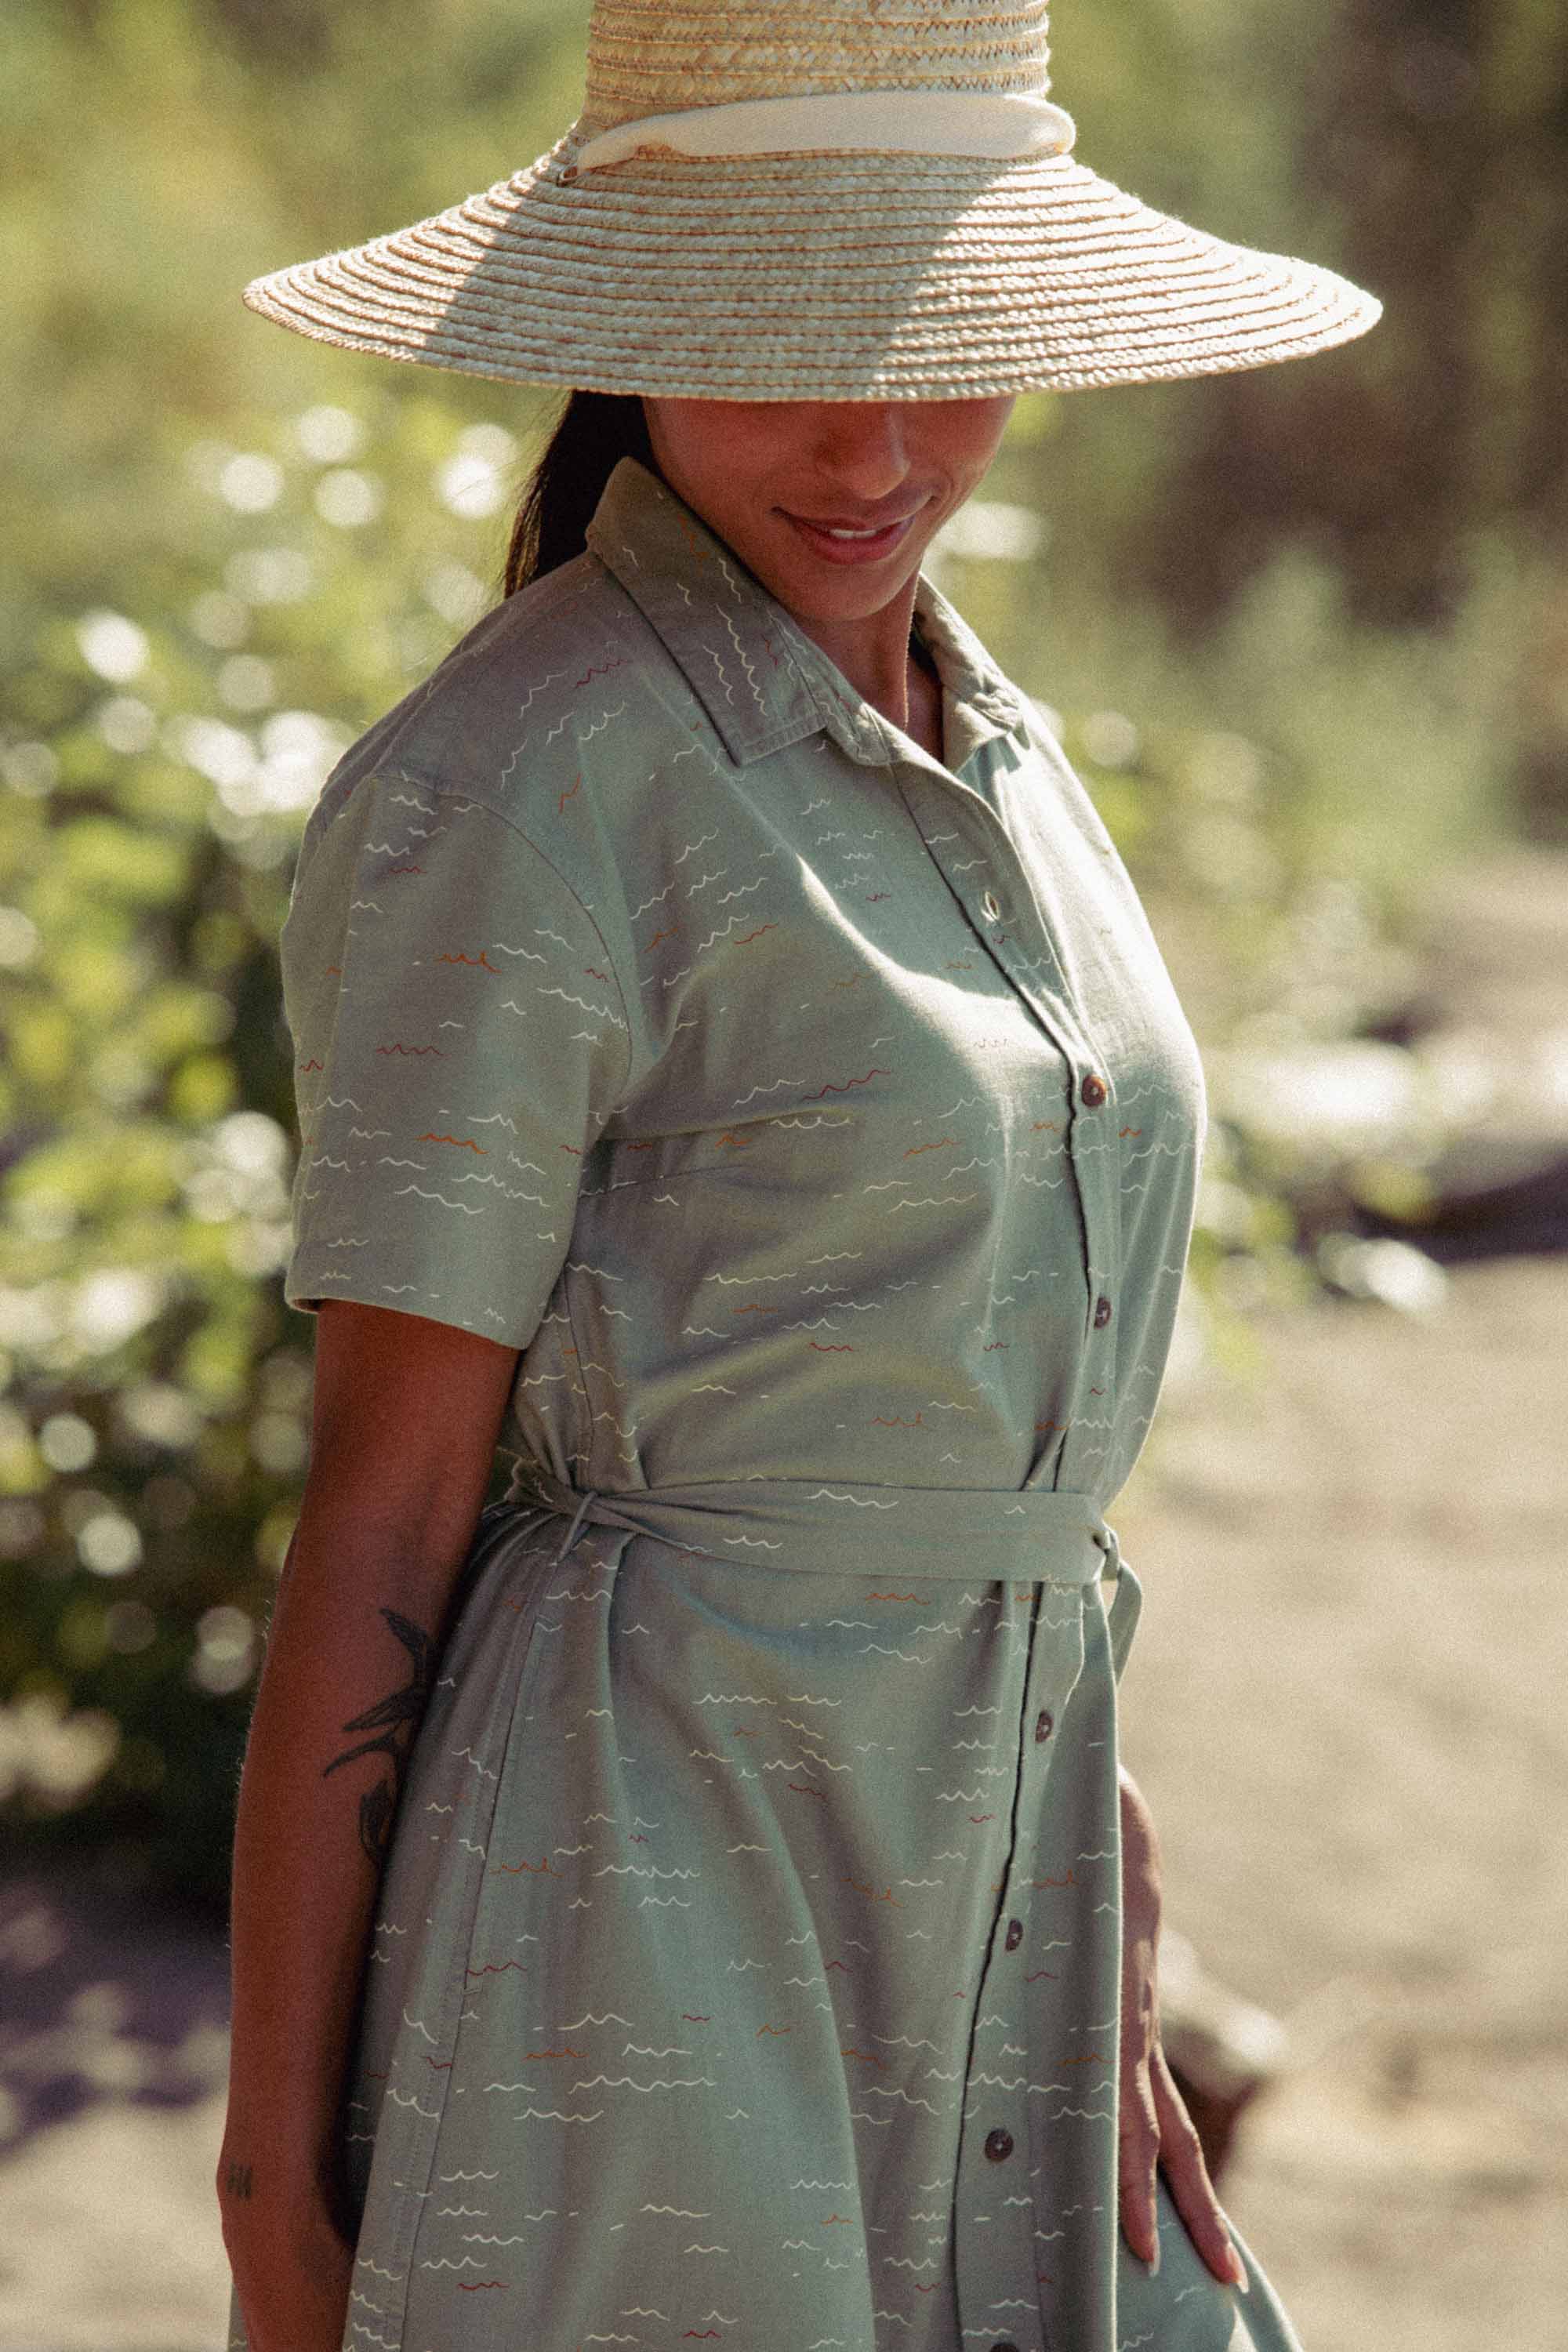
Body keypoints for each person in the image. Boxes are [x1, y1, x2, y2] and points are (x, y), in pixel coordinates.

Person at [218, 4, 1380, 2349]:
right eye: (782, 356)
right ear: (631, 344)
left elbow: (977, 1421)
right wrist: (273, 2211)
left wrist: (1088, 1852)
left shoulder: (1004, 748)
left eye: (946, 350)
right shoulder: (520, 789)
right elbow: (385, 1514)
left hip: (1003, 1898)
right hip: (654, 1934)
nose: (876, 446)